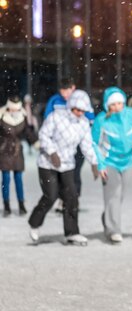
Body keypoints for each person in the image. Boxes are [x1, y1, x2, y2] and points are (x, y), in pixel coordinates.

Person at [28, 90, 101, 245]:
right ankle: (34, 223)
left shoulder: (83, 124)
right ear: (71, 106)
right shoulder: (55, 117)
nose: (80, 113)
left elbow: (87, 145)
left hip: (67, 164)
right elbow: (43, 135)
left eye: (83, 110)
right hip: (47, 163)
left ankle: (72, 232)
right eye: (77, 109)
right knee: (51, 195)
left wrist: (94, 163)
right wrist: (52, 152)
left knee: (72, 197)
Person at [92, 87, 132, 243]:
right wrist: (100, 165)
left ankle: (108, 217)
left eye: (120, 103)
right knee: (114, 195)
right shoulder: (102, 120)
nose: (117, 106)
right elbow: (94, 144)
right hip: (109, 162)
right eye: (113, 104)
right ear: (107, 105)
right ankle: (113, 230)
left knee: (119, 196)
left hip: (128, 162)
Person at [0, 96, 38, 216]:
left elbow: (28, 132)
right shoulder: (1, 115)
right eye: (12, 109)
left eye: (16, 109)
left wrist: (36, 143)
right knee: (5, 179)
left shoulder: (23, 116)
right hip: (4, 150)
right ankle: (6, 206)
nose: (14, 111)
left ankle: (21, 205)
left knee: (19, 179)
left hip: (17, 151)